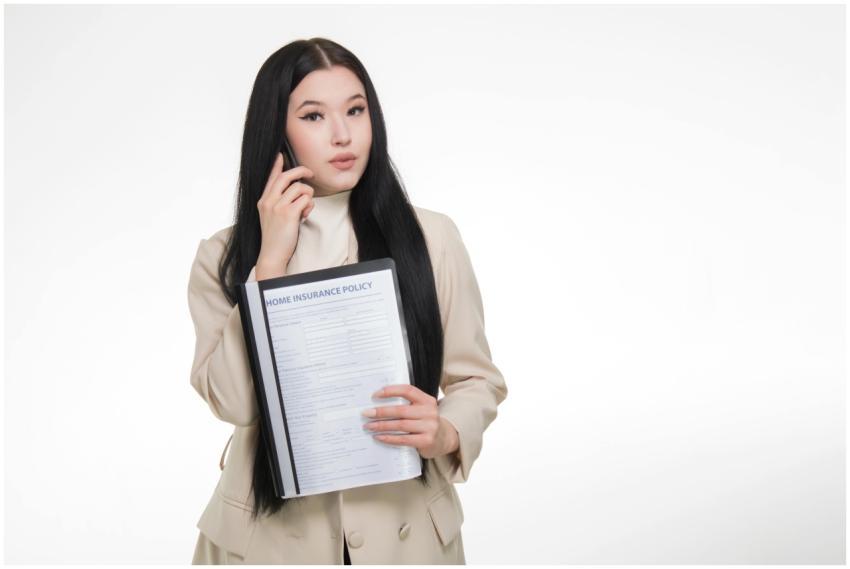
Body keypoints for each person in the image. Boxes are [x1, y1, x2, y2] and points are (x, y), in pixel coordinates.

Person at [187, 37, 507, 565]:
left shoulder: (431, 238)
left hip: (405, 533)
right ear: (276, 131)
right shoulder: (223, 256)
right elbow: (235, 403)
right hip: (267, 543)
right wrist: (269, 262)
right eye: (314, 116)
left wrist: (446, 431)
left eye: (356, 110)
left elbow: (476, 379)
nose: (343, 134)